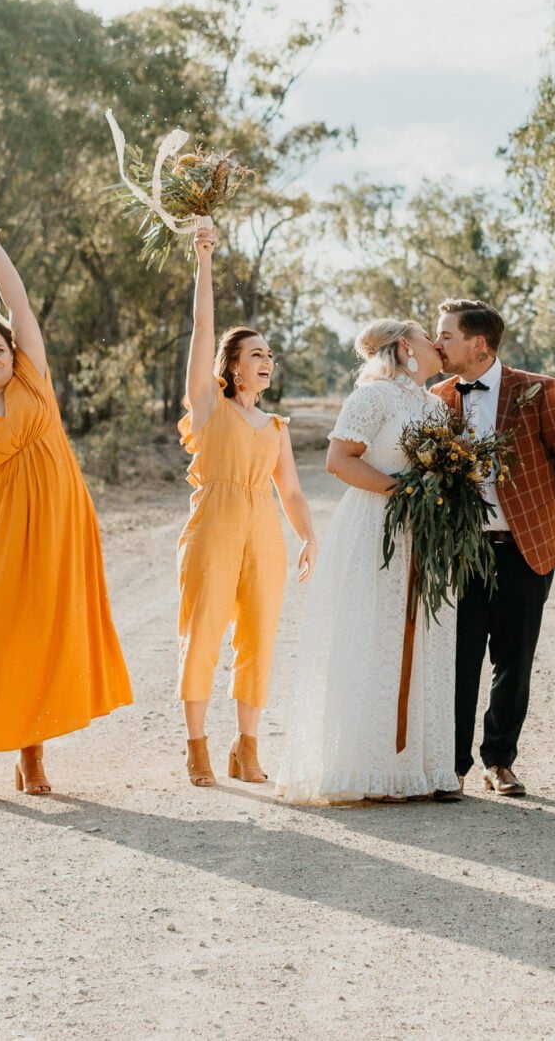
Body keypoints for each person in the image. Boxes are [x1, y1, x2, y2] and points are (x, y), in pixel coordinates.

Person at [0, 210, 134, 804]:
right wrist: (1, 504)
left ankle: (31, 751)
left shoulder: (32, 381)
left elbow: (17, 304)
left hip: (59, 530)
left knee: (42, 639)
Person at [274, 319, 461, 804]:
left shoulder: (435, 405)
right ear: (403, 348)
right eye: (426, 337)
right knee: (375, 636)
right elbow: (339, 461)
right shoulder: (373, 397)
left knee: (420, 640)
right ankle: (368, 767)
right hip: (377, 527)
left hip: (424, 533)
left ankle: (414, 768)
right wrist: (407, 493)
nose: (436, 343)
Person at [432, 298, 555, 798]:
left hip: (525, 551)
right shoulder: (438, 397)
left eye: (447, 336)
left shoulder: (537, 390)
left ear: (478, 344)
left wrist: (541, 513)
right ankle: (451, 766)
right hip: (462, 553)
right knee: (458, 661)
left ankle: (499, 761)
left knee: (514, 661)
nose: (438, 344)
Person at [175, 222, 318, 787]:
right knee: (204, 633)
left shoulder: (276, 425)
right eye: (256, 353)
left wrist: (309, 536)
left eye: (270, 354)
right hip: (212, 526)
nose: (267, 360)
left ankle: (247, 747)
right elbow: (202, 328)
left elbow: (293, 492)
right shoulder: (209, 405)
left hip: (263, 533)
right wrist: (204, 259)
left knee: (258, 639)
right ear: (232, 365)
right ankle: (197, 747)